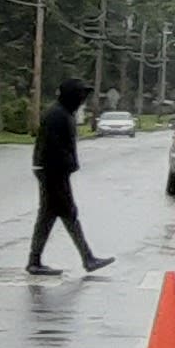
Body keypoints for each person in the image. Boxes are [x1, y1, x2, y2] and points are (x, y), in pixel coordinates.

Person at [24, 78, 112, 276]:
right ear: (71, 95)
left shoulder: (63, 113)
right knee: (67, 214)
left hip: (53, 171)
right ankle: (87, 259)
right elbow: (54, 147)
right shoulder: (57, 115)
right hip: (53, 172)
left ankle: (36, 260)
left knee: (50, 216)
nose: (83, 99)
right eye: (81, 95)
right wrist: (69, 164)